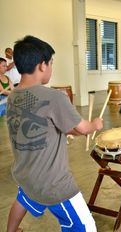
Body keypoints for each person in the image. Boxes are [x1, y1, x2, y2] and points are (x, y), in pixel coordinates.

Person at [6, 35, 103, 232]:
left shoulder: (13, 96)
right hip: (54, 184)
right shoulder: (53, 97)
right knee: (87, 227)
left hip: (26, 175)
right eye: (51, 63)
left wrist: (74, 129)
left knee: (23, 198)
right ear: (42, 65)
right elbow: (84, 128)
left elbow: (55, 125)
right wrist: (95, 124)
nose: (51, 67)